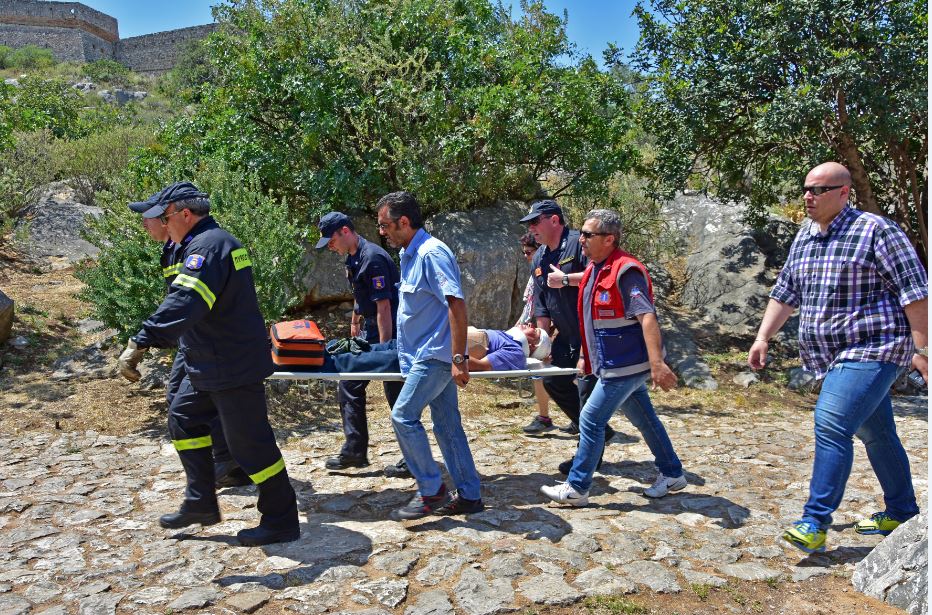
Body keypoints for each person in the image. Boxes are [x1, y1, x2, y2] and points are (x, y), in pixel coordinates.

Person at [747, 162, 927, 554]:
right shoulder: (806, 236)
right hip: (831, 355)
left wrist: (923, 349)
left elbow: (915, 292)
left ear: (844, 192)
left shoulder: (877, 231)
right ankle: (902, 510)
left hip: (876, 347)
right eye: (806, 189)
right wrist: (763, 337)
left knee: (831, 422)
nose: (808, 197)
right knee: (876, 432)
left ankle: (814, 521)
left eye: (818, 190)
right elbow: (786, 292)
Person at [118, 181, 300, 546]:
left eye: (162, 217)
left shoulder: (210, 246)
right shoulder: (191, 245)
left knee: (250, 444)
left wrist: (142, 338)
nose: (157, 225)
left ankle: (281, 519)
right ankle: (200, 499)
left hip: (231, 361)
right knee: (184, 417)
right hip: (205, 358)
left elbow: (186, 300)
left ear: (185, 214)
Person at [539, 209, 684, 507]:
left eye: (588, 235)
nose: (581, 239)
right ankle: (672, 473)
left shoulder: (626, 271)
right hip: (611, 362)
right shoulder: (597, 267)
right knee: (645, 419)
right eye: (582, 233)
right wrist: (583, 355)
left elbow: (647, 317)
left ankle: (578, 487)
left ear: (609, 239)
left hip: (624, 364)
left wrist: (657, 364)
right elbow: (589, 305)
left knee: (591, 420)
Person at [128, 191, 250, 489]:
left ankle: (226, 465)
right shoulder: (177, 247)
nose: (146, 226)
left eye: (149, 220)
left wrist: (145, 337)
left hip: (212, 341)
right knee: (181, 401)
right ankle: (218, 467)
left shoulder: (202, 246)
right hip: (193, 337)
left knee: (194, 403)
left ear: (173, 217)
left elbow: (189, 299)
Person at [376, 191, 483, 519]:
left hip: (435, 356)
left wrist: (458, 359)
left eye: (384, 225)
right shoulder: (410, 253)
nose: (381, 232)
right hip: (422, 355)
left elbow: (456, 304)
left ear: (403, 222)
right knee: (447, 425)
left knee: (403, 416)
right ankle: (469, 495)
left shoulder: (432, 253)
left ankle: (431, 488)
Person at [519, 199, 616, 473]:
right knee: (552, 379)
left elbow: (600, 275)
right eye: (529, 224)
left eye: (536, 222)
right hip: (567, 335)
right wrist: (543, 339)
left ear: (554, 220)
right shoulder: (538, 257)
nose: (532, 228)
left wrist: (566, 279)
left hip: (592, 333)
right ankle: (599, 431)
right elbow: (542, 303)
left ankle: (588, 456)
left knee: (587, 391)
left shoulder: (579, 243)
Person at [315, 212, 410, 478]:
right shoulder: (354, 257)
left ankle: (412, 458)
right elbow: (362, 295)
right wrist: (355, 320)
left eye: (331, 240)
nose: (330, 246)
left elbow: (384, 307)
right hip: (370, 329)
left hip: (388, 332)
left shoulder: (373, 258)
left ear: (345, 231)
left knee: (397, 396)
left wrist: (386, 350)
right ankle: (355, 450)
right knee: (349, 383)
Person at [517, 233, 557, 435]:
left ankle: (546, 417)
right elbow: (530, 306)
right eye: (524, 253)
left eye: (529, 252)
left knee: (548, 375)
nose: (526, 256)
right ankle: (545, 416)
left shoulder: (547, 272)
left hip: (547, 333)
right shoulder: (535, 273)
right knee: (540, 374)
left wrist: (549, 335)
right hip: (536, 331)